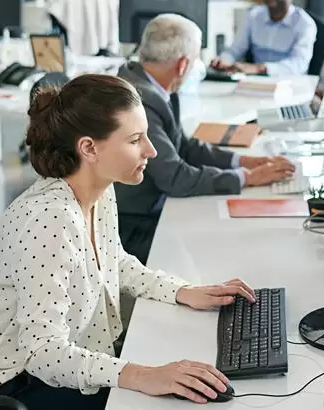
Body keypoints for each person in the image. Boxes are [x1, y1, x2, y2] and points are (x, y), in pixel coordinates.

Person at [0, 74, 257, 410]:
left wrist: (183, 291)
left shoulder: (98, 191)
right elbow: (42, 351)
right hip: (3, 387)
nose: (151, 150)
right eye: (135, 140)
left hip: (52, 363)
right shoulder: (48, 220)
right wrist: (142, 375)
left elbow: (113, 260)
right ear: (89, 148)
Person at [117, 14, 295, 264]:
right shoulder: (141, 101)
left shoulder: (152, 85)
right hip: (136, 225)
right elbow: (176, 178)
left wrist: (242, 161)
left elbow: (184, 147)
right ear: (182, 65)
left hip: (154, 209)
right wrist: (248, 178)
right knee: (223, 246)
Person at [210, 0, 317, 76]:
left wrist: (260, 68)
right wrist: (223, 60)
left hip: (289, 84)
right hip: (256, 82)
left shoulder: (305, 24)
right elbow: (235, 50)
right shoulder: (253, 16)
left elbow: (298, 64)